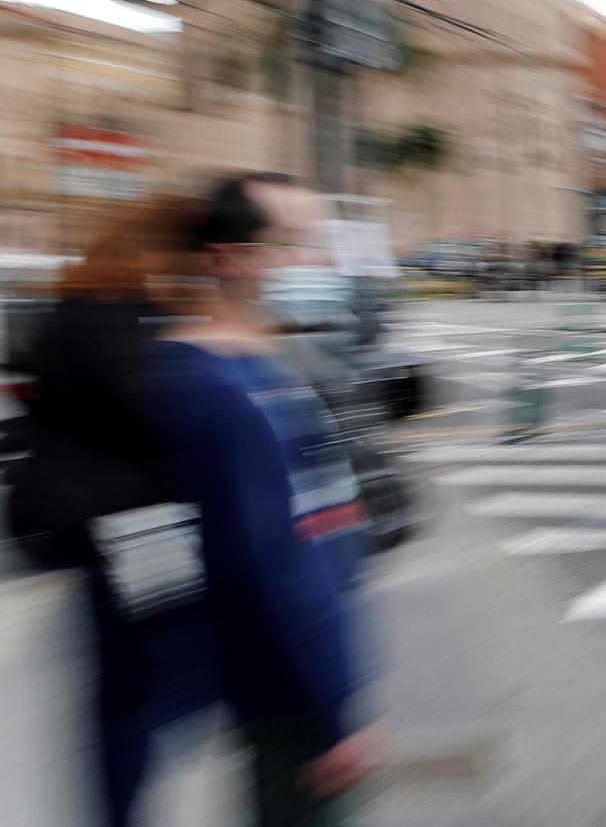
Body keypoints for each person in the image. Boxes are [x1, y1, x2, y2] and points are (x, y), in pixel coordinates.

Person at [22, 176, 381, 825]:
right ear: (218, 255)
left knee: (132, 712)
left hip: (143, 556)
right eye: (290, 244)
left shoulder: (161, 342)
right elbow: (271, 555)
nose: (305, 263)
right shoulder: (197, 369)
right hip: (150, 562)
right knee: (139, 712)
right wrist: (326, 700)